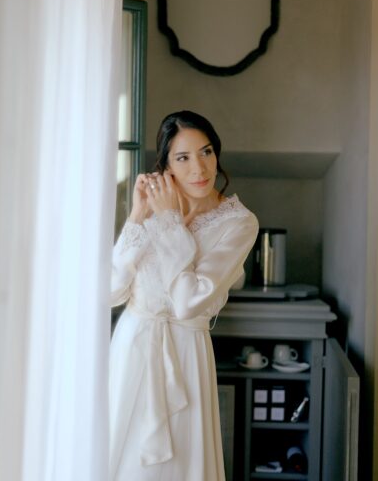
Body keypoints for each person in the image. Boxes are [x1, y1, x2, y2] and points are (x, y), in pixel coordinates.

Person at [109, 110, 258, 481]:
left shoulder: (239, 223)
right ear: (167, 166)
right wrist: (138, 217)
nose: (200, 168)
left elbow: (190, 300)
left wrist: (168, 222)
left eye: (206, 152)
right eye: (183, 158)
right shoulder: (155, 205)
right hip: (131, 350)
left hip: (184, 355)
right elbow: (110, 292)